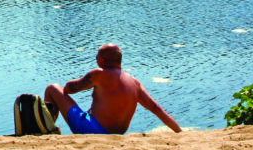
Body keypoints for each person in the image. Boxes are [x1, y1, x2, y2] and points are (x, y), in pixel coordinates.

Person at [44, 43, 181, 135]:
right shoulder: (135, 83)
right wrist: (179, 133)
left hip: (92, 131)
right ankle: (180, 132)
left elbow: (68, 89)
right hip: (117, 134)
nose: (96, 60)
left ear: (102, 61)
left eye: (96, 57)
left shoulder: (99, 74)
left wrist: (89, 84)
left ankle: (47, 131)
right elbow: (157, 109)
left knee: (52, 88)